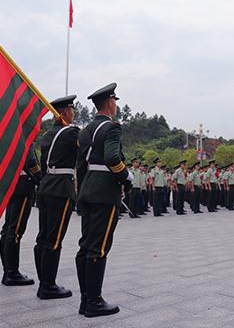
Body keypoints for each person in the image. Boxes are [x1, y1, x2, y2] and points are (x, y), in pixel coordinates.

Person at [75, 82, 132, 317]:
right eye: (115, 101)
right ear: (110, 102)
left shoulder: (86, 129)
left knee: (86, 245)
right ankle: (94, 302)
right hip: (104, 192)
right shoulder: (112, 128)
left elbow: (81, 164)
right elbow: (112, 157)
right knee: (98, 247)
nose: (116, 105)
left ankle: (85, 299)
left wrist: (81, 191)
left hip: (88, 189)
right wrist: (126, 176)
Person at [34, 95, 80, 299]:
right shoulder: (70, 133)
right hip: (61, 189)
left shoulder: (47, 135)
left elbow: (44, 166)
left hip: (45, 187)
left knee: (43, 237)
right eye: (72, 110)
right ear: (64, 112)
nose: (74, 113)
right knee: (54, 239)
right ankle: (48, 286)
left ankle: (43, 281)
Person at [0, 147, 42, 286]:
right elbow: (31, 161)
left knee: (8, 229)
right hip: (23, 184)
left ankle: (8, 271)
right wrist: (40, 178)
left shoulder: (11, 134)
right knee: (15, 231)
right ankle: (12, 273)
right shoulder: (24, 134)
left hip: (12, 183)